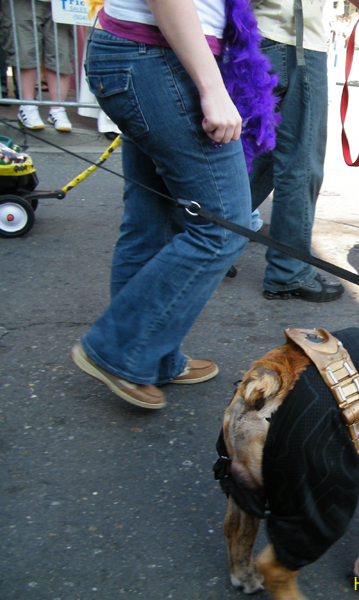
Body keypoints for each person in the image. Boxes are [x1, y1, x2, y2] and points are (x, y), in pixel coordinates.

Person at [70, 0, 281, 408]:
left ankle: (150, 361)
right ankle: (119, 351)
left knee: (152, 221)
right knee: (224, 226)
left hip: (146, 55)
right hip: (157, 59)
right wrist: (212, 88)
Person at [249, 0, 359, 302]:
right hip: (295, 39)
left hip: (257, 33)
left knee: (262, 153)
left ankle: (207, 237)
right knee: (299, 164)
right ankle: (287, 272)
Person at [3, 0, 74, 131]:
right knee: (25, 50)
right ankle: (27, 106)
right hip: (21, 4)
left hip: (59, 4)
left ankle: (57, 109)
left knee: (60, 52)